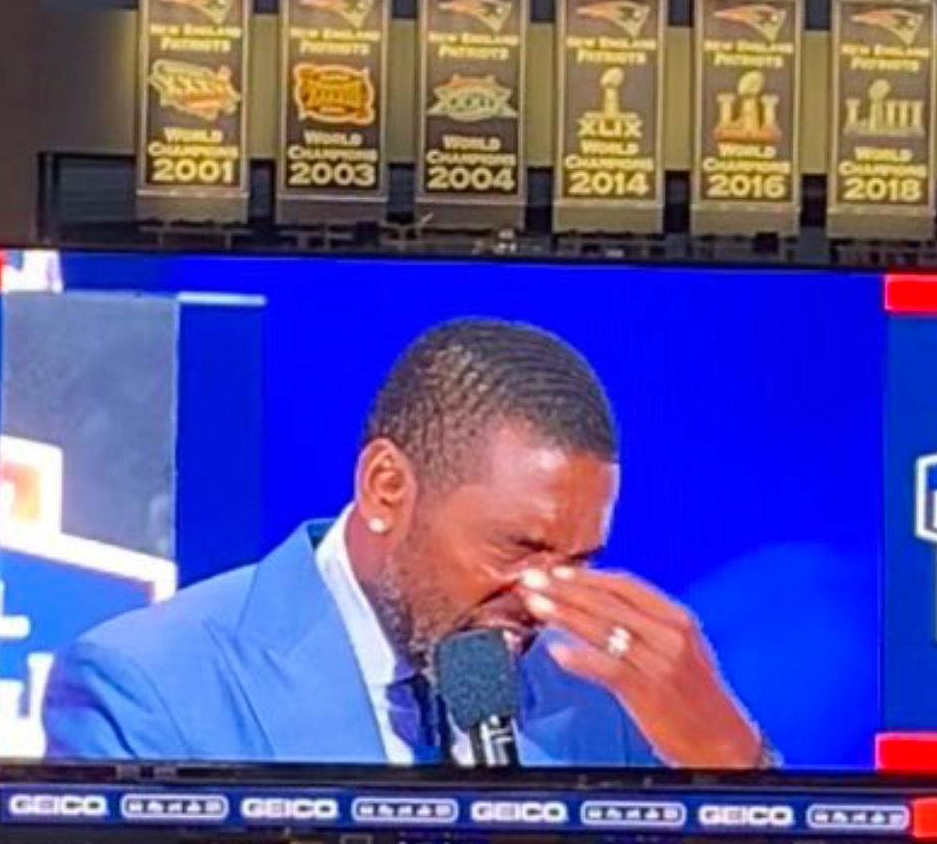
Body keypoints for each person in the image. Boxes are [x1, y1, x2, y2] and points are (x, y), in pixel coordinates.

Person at [43, 317, 768, 768]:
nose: (546, 600)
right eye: (517, 549)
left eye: (578, 561)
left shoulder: (596, 698)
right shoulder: (148, 684)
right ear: (387, 487)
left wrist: (727, 756)